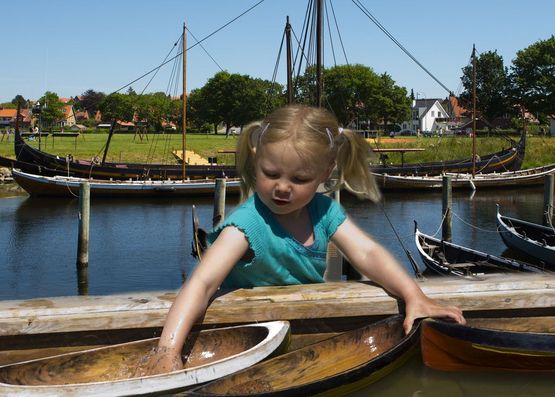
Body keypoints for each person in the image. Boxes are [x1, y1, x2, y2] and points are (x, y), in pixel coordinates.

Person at [146, 104, 465, 374]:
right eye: (271, 174)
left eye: (299, 179)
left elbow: (367, 253)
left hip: (302, 335)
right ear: (257, 161)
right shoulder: (247, 224)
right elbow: (201, 284)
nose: (282, 187)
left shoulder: (324, 211)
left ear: (325, 173)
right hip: (246, 339)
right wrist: (168, 351)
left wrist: (413, 295)